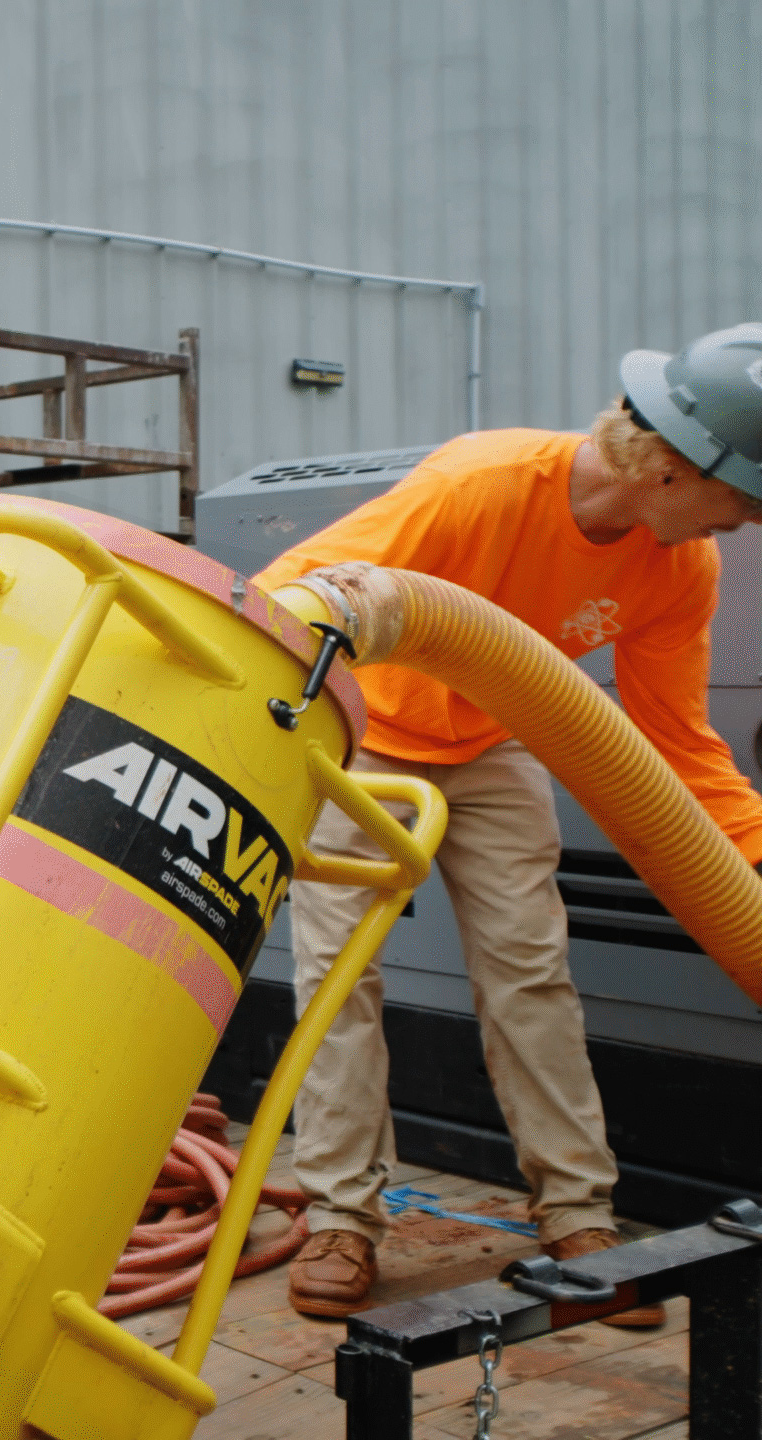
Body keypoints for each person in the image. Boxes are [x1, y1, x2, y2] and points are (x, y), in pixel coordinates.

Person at [257, 323, 762, 1322]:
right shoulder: (477, 485)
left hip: (496, 745)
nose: (743, 521)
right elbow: (288, 603)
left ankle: (577, 1214)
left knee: (530, 973)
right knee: (336, 982)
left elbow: (680, 751)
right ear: (669, 470)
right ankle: (341, 1221)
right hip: (366, 738)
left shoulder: (678, 569)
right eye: (740, 496)